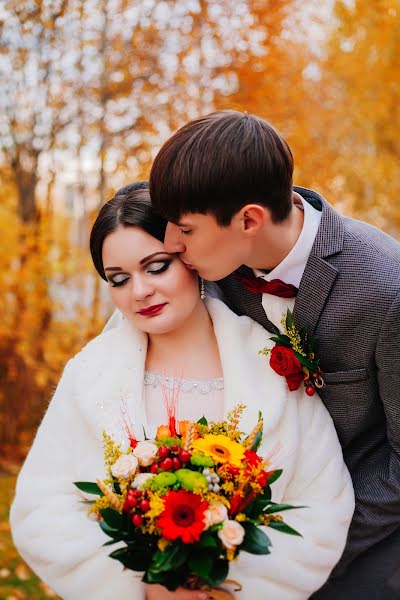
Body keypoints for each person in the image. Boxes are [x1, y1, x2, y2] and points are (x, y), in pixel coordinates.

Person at [10, 183, 354, 600]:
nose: (139, 291)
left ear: (189, 257)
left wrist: (228, 586)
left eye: (156, 267)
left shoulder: (271, 366)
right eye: (119, 279)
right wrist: (143, 585)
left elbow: (322, 504)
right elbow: (40, 507)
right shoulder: (90, 375)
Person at [149, 110, 400, 599]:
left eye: (185, 229)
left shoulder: (387, 291)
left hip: (363, 533)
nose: (171, 246)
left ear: (249, 220)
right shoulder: (212, 259)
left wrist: (299, 547)